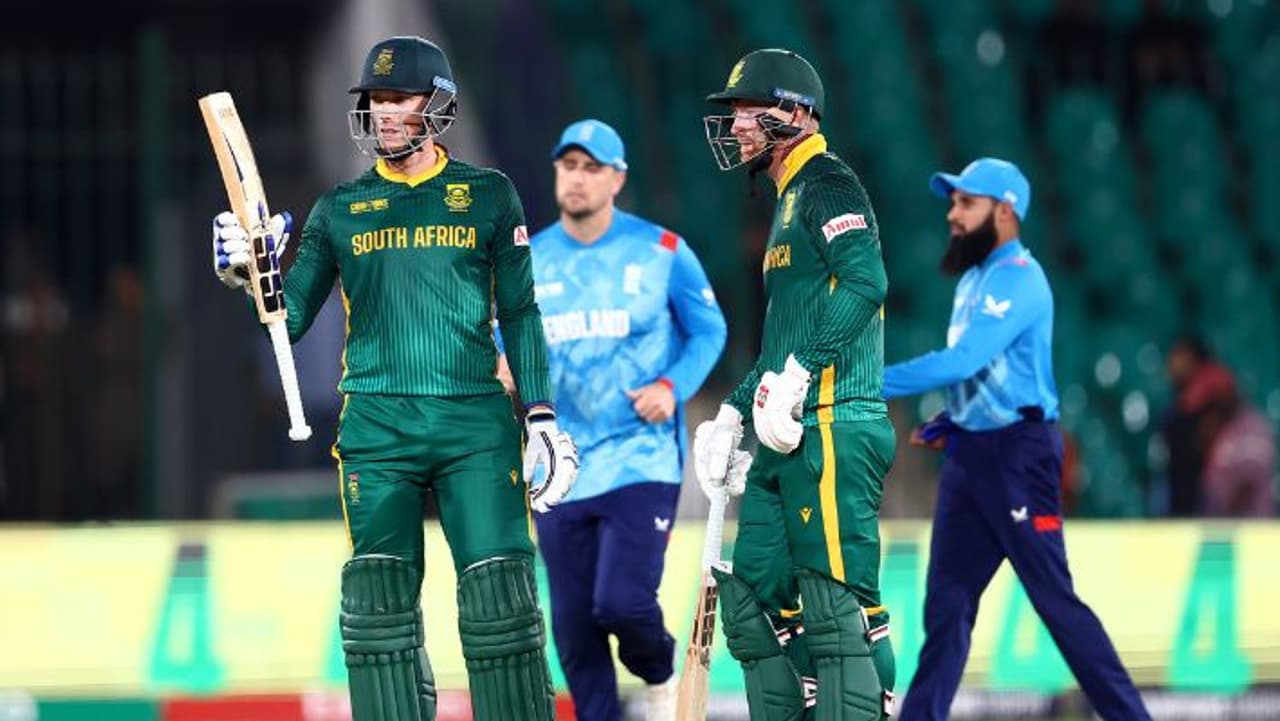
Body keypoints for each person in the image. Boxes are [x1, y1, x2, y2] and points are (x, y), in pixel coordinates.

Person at [210, 36, 579, 721]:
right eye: (375, 99)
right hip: (378, 429)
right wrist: (248, 274)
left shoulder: (489, 195)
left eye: (398, 98)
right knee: (379, 612)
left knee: (501, 602)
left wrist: (541, 415)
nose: (383, 112)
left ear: (437, 105)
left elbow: (522, 312)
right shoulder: (339, 208)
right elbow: (287, 320)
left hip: (474, 424)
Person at [881, 158, 1151, 721]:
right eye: (952, 202)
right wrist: (955, 421)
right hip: (972, 457)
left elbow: (964, 360)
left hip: (1018, 459)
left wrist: (864, 381)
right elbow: (991, 374)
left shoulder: (1022, 278)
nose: (952, 214)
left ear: (1005, 211)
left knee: (1055, 603)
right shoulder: (974, 280)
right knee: (947, 609)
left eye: (966, 202)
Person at [499, 118, 727, 721]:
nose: (577, 178)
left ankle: (660, 675)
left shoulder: (662, 252)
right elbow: (501, 342)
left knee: (622, 604)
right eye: (568, 165)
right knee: (574, 629)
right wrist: (501, 364)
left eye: (591, 167)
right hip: (558, 465)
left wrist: (672, 387)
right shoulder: (528, 261)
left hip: (639, 457)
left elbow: (709, 330)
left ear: (617, 179)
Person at [695, 48, 898, 719]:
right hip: (787, 428)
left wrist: (804, 370)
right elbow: (782, 345)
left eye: (750, 110)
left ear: (797, 113)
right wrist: (731, 412)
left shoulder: (828, 184)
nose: (736, 126)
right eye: (733, 113)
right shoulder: (787, 202)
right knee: (753, 605)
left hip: (835, 420)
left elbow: (867, 281)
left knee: (838, 613)